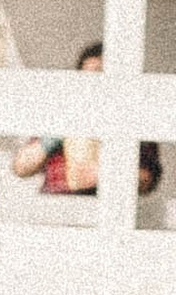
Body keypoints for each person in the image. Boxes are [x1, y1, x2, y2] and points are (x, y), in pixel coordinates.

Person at [11, 36, 162, 196]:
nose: (93, 86)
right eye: (87, 79)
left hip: (108, 209)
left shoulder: (132, 120)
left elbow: (147, 179)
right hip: (56, 209)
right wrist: (52, 140)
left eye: (100, 78)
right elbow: (21, 168)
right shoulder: (63, 115)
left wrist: (107, 174)